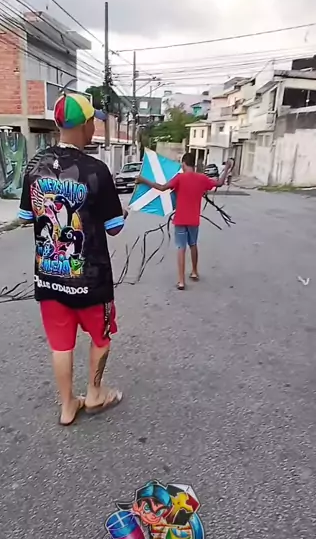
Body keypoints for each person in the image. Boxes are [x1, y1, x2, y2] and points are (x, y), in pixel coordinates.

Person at [18, 91, 127, 426]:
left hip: (49, 277)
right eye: (93, 121)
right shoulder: (97, 170)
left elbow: (25, 217)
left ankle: (67, 406)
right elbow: (115, 228)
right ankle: (94, 393)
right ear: (86, 126)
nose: (94, 127)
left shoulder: (34, 167)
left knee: (60, 345)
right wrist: (120, 213)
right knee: (101, 338)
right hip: (91, 281)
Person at [137, 152, 231, 290]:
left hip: (180, 220)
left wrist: (143, 180)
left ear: (184, 164)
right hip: (194, 220)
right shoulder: (202, 178)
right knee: (193, 244)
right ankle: (194, 271)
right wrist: (227, 167)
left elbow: (162, 188)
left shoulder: (180, 178)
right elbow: (220, 183)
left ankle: (181, 281)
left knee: (181, 248)